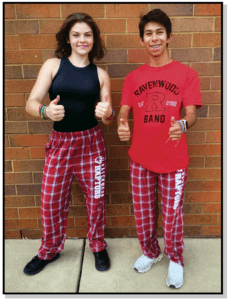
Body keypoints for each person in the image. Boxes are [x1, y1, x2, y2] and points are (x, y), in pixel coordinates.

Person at [117, 9, 203, 289]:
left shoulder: (186, 74)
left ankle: (175, 258)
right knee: (142, 213)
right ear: (142, 40)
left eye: (159, 32)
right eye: (148, 34)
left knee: (172, 215)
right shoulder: (133, 77)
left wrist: (183, 125)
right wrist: (121, 124)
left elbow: (191, 114)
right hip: (139, 159)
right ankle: (151, 252)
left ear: (168, 37)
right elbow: (124, 112)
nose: (153, 38)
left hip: (173, 160)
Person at [24, 13, 114, 275]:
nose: (82, 39)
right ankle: (49, 250)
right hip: (60, 144)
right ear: (68, 38)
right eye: (76, 34)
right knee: (51, 200)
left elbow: (108, 118)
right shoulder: (53, 65)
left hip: (91, 144)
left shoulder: (100, 74)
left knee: (96, 199)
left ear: (94, 39)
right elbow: (31, 102)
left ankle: (97, 245)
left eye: (87, 34)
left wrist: (106, 114)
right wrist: (45, 112)